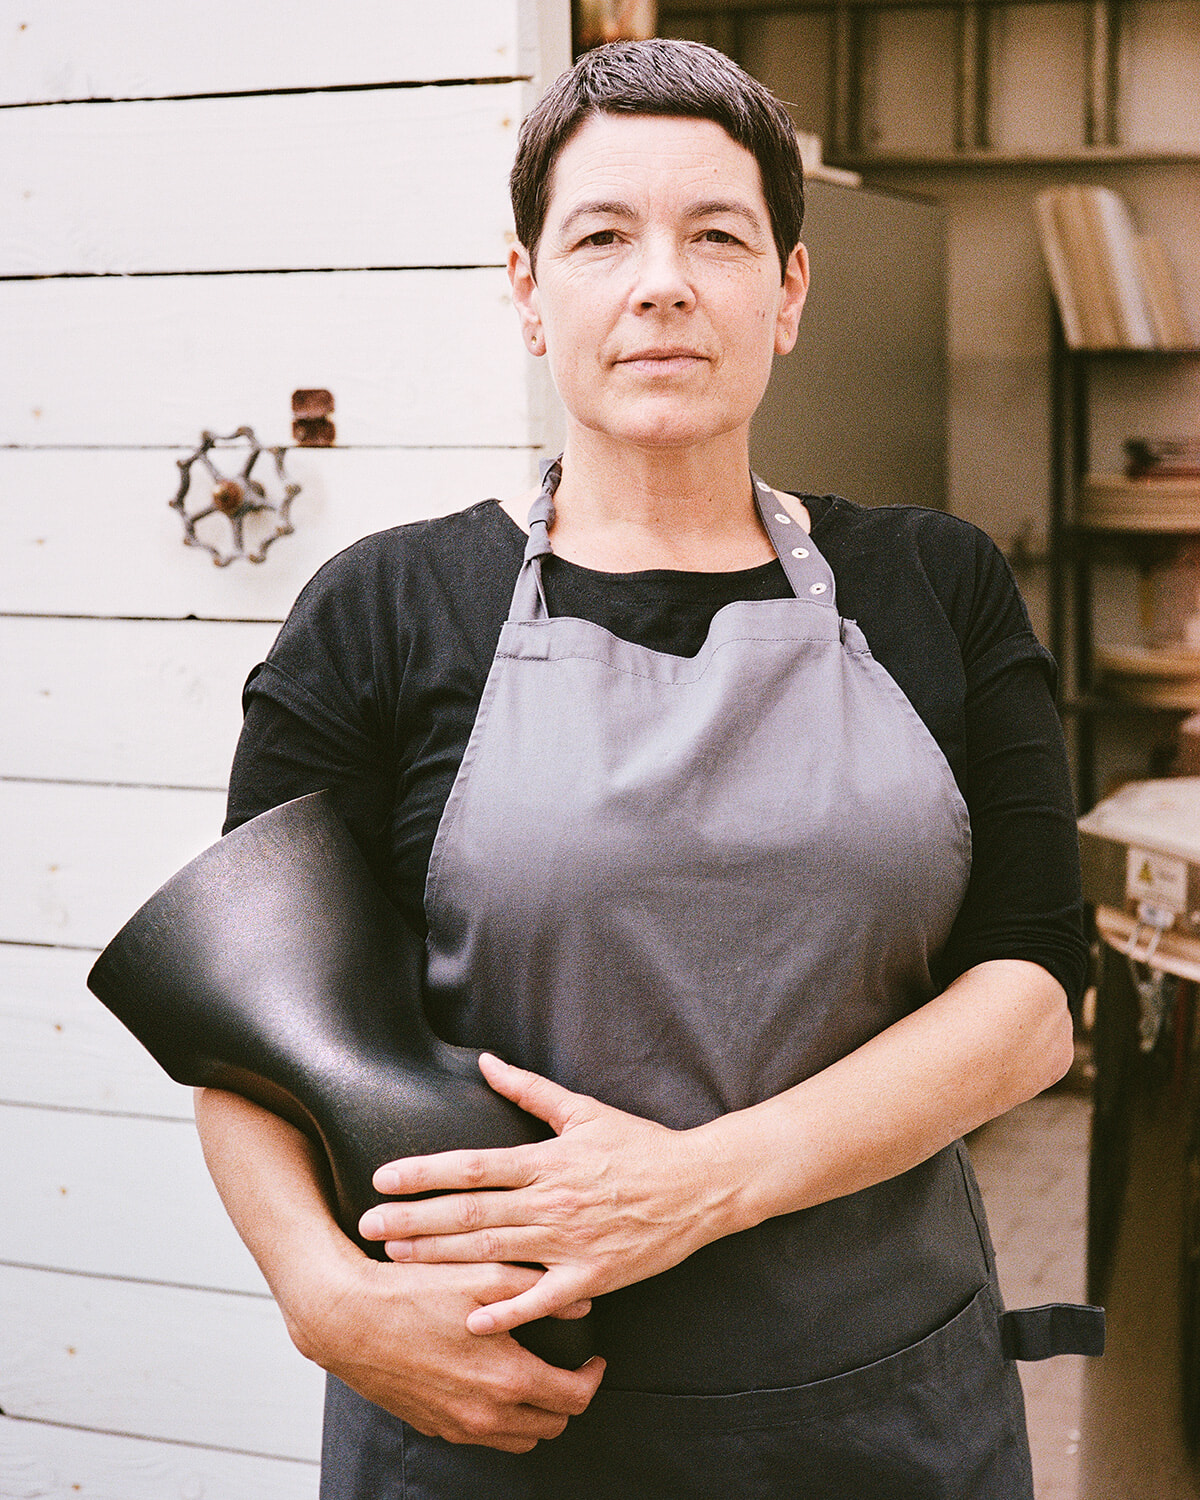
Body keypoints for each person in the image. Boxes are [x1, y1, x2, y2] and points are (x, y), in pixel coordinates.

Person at [195, 37, 1087, 1498]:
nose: (662, 282)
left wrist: (689, 1188)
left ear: (788, 292)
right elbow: (247, 1027)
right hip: (491, 1415)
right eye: (602, 236)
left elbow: (1032, 999)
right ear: (528, 292)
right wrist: (324, 1296)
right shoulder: (384, 611)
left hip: (876, 1418)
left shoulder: (935, 585)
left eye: (717, 236)